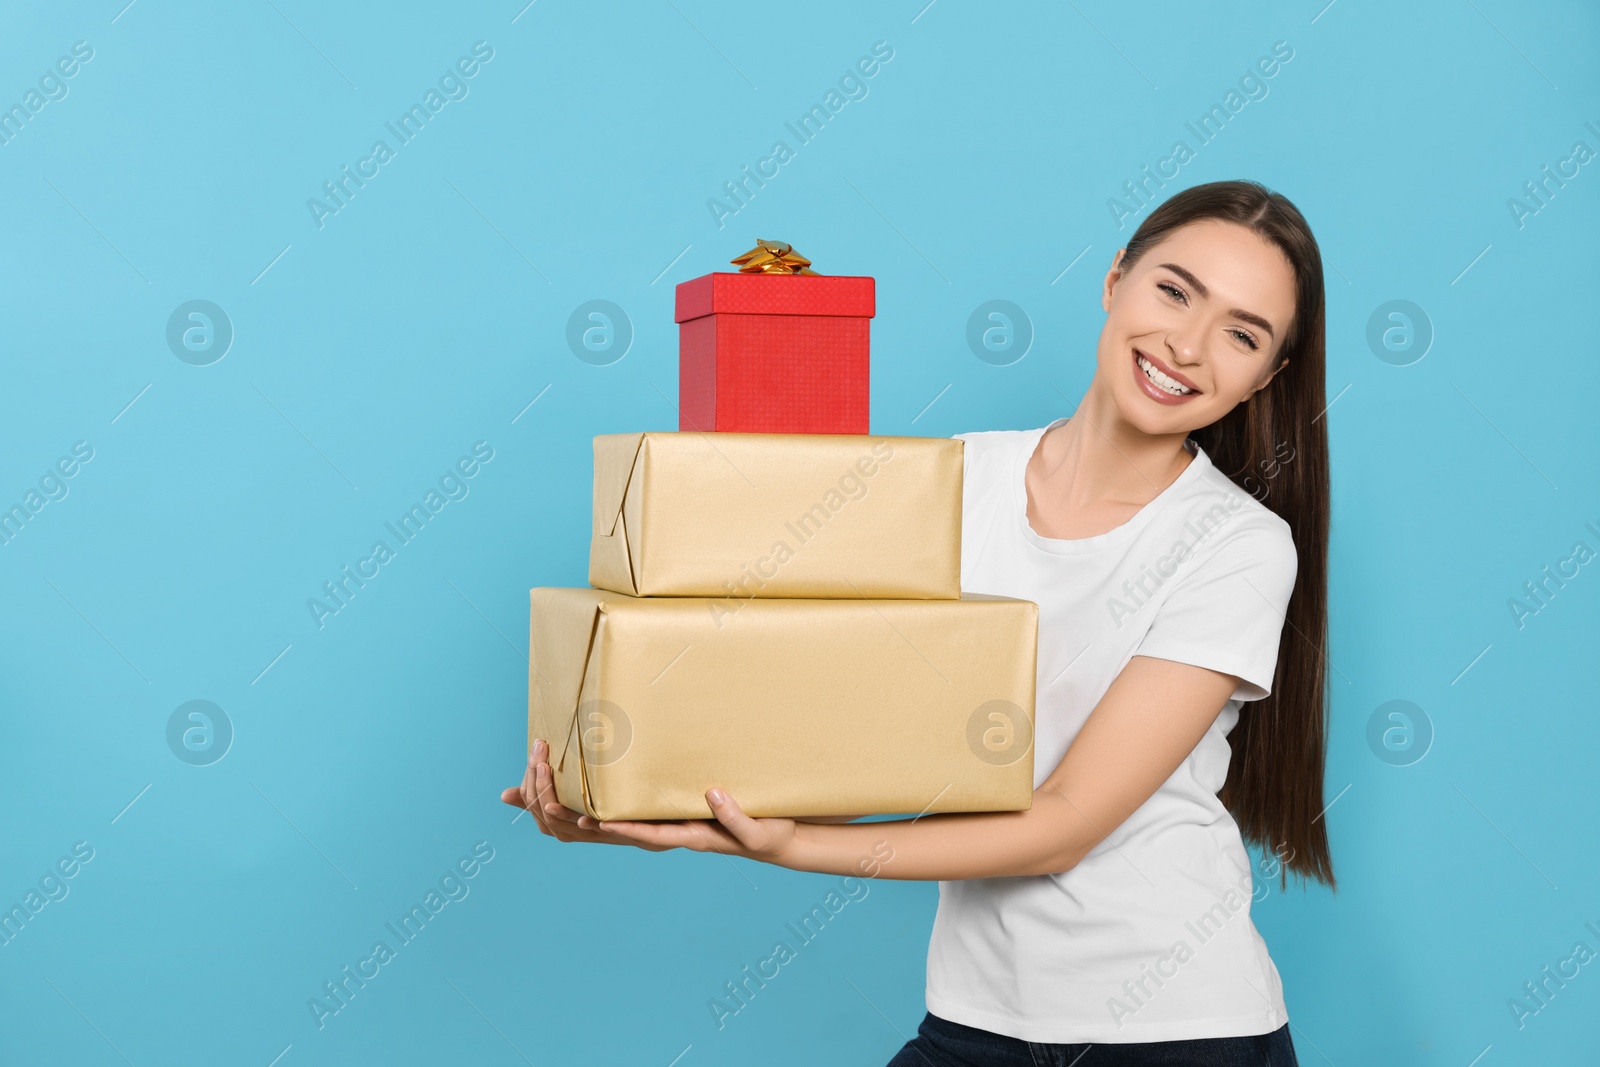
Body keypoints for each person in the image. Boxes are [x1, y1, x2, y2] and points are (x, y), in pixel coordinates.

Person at [502, 178, 1334, 1066]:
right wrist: (636, 793)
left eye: (1242, 334)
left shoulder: (1239, 545)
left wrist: (788, 845)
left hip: (1180, 1031)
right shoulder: (953, 479)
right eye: (1174, 290)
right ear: (1115, 279)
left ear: (1268, 375)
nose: (1187, 344)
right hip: (976, 1020)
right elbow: (874, 737)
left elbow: (1064, 821)